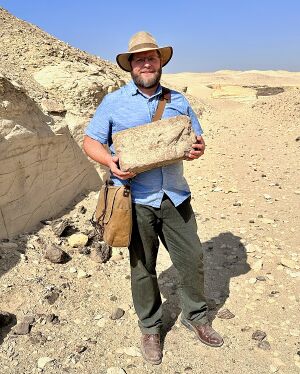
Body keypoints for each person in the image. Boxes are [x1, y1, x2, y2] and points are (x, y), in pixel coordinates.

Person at [83, 31, 223, 365]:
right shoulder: (114, 102)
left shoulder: (177, 100)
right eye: (140, 59)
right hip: (134, 201)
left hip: (175, 197)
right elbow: (90, 141)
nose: (147, 63)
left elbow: (195, 138)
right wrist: (110, 161)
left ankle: (196, 317)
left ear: (161, 63)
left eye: (153, 58)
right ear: (131, 65)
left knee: (192, 260)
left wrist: (198, 150)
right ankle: (150, 328)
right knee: (142, 268)